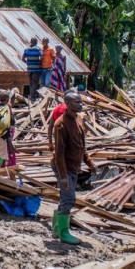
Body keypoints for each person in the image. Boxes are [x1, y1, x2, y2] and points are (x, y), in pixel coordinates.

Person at [51, 91, 96, 244]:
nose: (81, 104)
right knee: (69, 198)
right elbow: (59, 153)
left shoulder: (78, 119)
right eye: (77, 102)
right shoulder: (61, 124)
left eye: (81, 102)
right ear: (68, 104)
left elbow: (81, 146)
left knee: (65, 198)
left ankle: (57, 229)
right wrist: (63, 176)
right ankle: (64, 233)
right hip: (63, 165)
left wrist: (89, 163)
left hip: (74, 165)